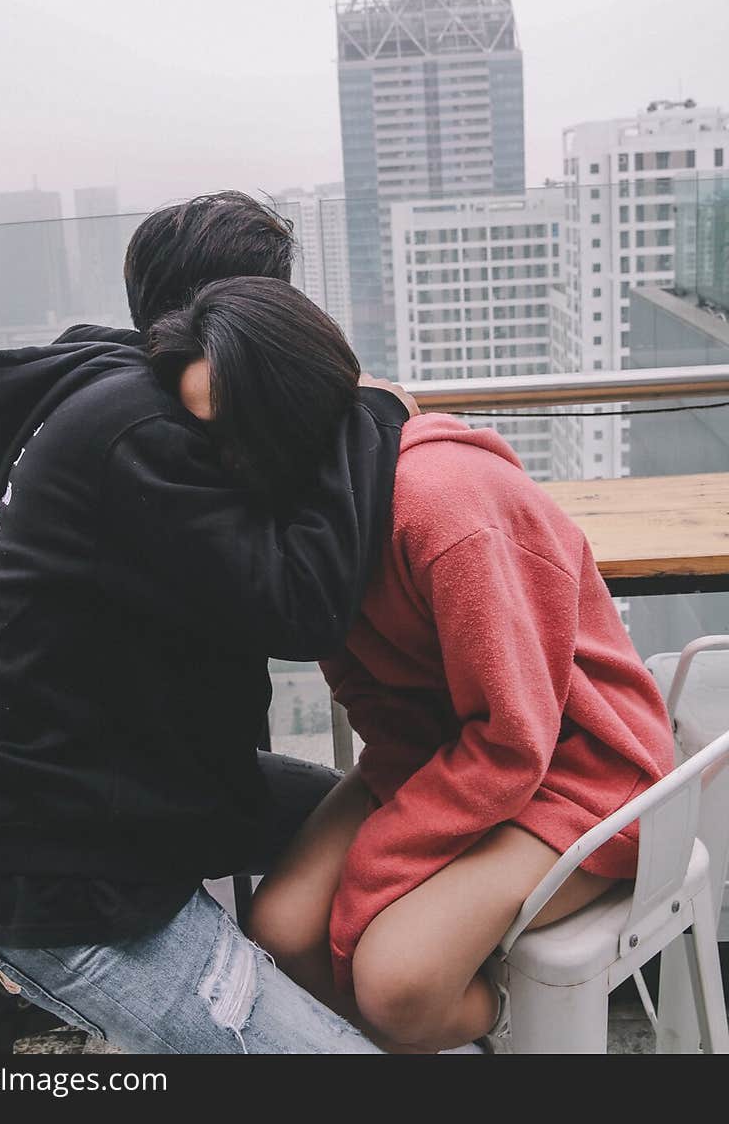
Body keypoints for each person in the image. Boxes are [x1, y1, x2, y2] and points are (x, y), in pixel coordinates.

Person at [0, 192, 415, 1055]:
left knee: (404, 815)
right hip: (68, 883)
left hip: (123, 791)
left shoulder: (104, 397)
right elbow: (300, 602)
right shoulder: (134, 429)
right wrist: (373, 413)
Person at [153, 276, 676, 1053]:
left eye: (234, 432)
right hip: (451, 756)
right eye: (204, 437)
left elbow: (517, 738)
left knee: (396, 981)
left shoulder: (442, 507)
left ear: (292, 406)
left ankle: (495, 1027)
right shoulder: (306, 526)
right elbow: (379, 709)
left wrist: (375, 878)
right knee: (281, 931)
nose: (220, 461)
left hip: (583, 770)